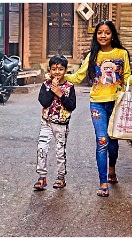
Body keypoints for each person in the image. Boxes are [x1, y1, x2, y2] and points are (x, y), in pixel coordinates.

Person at [63, 20, 132, 197]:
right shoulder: (92, 55)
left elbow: (127, 78)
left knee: (113, 142)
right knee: (102, 140)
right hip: (97, 102)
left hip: (117, 103)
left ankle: (112, 169)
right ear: (96, 36)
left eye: (107, 32)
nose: (103, 35)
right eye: (100, 33)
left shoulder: (121, 54)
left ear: (113, 35)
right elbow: (78, 77)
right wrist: (59, 75)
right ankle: (103, 181)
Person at [34, 54, 76, 190]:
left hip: (61, 124)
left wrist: (60, 94)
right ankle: (41, 177)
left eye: (60, 69)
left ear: (66, 70)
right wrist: (53, 90)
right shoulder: (45, 85)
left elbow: (71, 106)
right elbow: (44, 102)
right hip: (46, 122)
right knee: (42, 148)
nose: (57, 72)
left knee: (60, 151)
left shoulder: (70, 87)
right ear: (49, 70)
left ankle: (61, 177)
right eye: (54, 69)